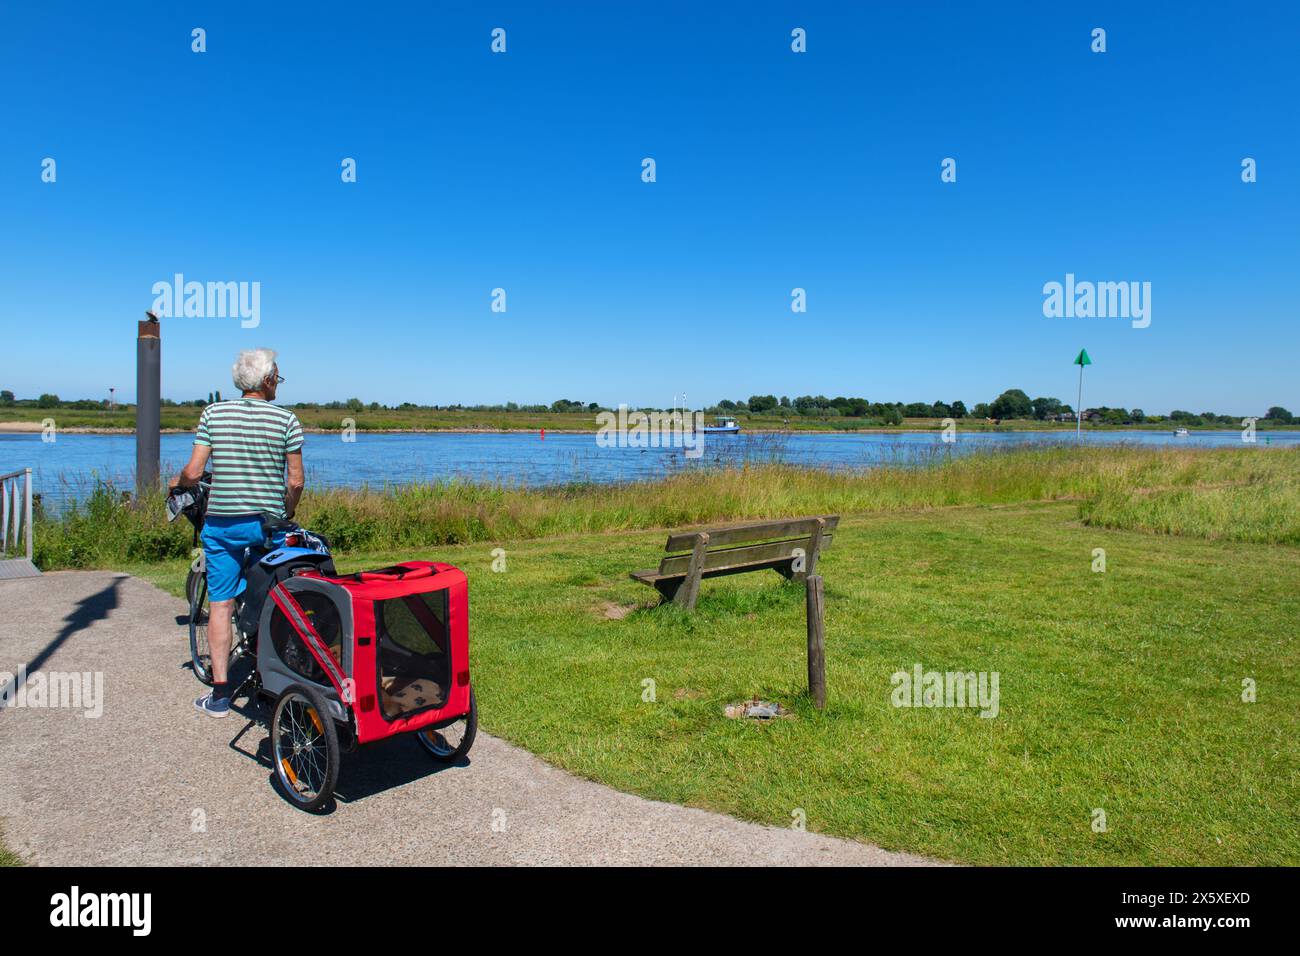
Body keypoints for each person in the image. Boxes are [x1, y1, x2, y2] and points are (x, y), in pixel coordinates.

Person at [170, 348, 305, 717]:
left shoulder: (213, 414)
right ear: (266, 380)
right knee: (278, 597)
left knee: (221, 604)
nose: (278, 381)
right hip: (267, 525)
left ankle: (219, 694)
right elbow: (295, 481)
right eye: (277, 375)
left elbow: (194, 472)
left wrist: (177, 482)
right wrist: (287, 512)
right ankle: (277, 675)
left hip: (222, 525)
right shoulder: (286, 420)